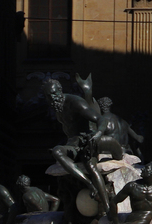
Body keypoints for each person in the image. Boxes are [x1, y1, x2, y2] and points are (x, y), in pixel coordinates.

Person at [44, 78, 111, 213]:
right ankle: (89, 184)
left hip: (86, 141)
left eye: (53, 94)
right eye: (48, 96)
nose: (52, 99)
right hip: (73, 144)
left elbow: (100, 119)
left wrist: (97, 135)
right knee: (57, 151)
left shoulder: (75, 102)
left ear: (60, 90)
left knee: (90, 166)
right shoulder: (58, 108)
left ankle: (107, 208)